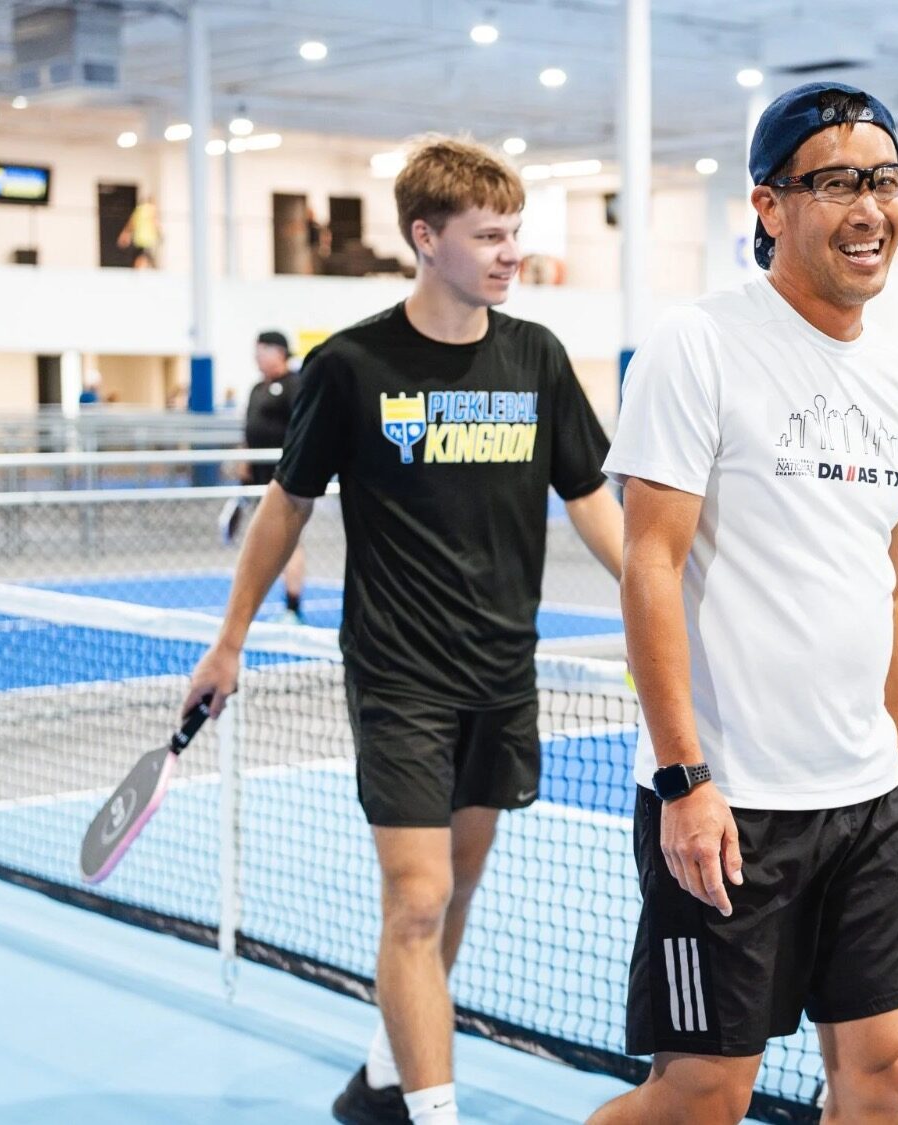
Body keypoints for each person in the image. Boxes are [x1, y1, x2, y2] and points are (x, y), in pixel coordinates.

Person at [182, 136, 626, 1125]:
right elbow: (286, 506)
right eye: (491, 236)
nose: (513, 254)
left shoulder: (537, 358)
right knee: (417, 898)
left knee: (457, 889)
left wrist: (659, 599)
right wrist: (230, 640)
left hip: (503, 674)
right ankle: (433, 1114)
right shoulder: (348, 367)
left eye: (515, 234)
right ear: (426, 238)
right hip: (398, 678)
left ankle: (386, 1077)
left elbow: (589, 498)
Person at [588, 82, 898, 1125]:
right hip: (729, 801)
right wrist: (684, 776)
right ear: (768, 205)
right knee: (700, 1095)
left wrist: (897, 750)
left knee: (882, 1071)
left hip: (867, 803)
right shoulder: (696, 344)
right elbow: (648, 565)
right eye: (835, 182)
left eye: (882, 179)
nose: (867, 207)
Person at [234, 330, 307, 623]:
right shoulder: (256, 389)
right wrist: (244, 464)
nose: (256, 356)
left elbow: (303, 429)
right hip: (257, 480)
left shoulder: (294, 386)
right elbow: (248, 430)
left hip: (285, 479)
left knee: (290, 541)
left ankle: (293, 606)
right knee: (260, 542)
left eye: (261, 350)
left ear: (278, 352)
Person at [118, 195, 160, 269]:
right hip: (148, 239)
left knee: (141, 256)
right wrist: (159, 233)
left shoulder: (139, 209)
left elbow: (131, 223)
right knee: (146, 257)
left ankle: (139, 270)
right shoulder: (151, 209)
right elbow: (155, 222)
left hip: (138, 238)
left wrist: (125, 234)